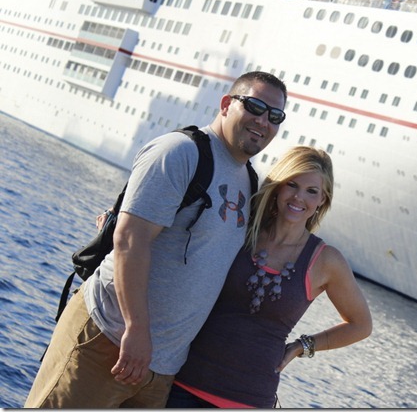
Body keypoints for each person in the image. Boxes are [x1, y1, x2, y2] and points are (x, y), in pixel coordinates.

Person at [24, 71, 288, 408]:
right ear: (226, 104)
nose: (263, 121)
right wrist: (135, 330)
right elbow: (130, 241)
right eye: (254, 106)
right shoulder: (180, 152)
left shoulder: (249, 181)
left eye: (275, 116)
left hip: (163, 367)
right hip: (109, 337)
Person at [166, 146, 373, 408]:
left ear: (323, 199)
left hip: (250, 398)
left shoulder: (326, 260)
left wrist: (302, 346)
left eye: (311, 191)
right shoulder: (241, 228)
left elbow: (360, 325)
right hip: (184, 381)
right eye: (292, 185)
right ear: (278, 186)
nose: (299, 197)